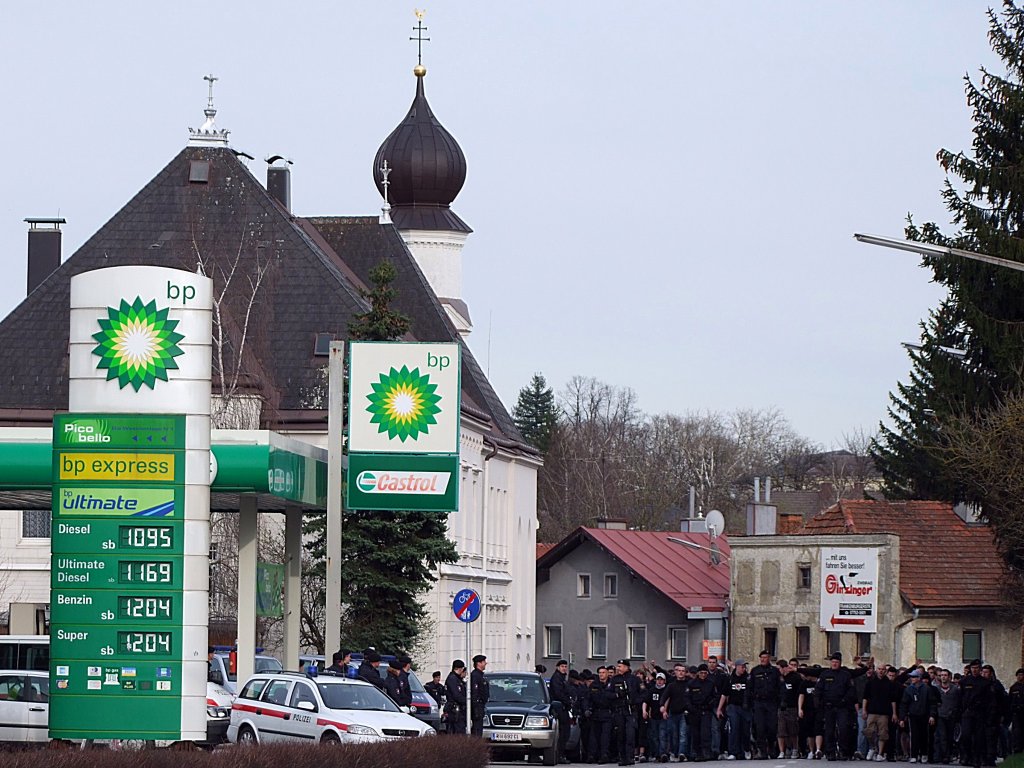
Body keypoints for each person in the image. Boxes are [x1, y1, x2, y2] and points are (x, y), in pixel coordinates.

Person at [748, 650, 781, 759]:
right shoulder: (755, 671)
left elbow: (781, 687)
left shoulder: (775, 671)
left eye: (765, 657)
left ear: (769, 658)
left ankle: (771, 747)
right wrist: (747, 702)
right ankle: (762, 751)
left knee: (772, 727)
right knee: (760, 728)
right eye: (761, 657)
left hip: (771, 702)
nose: (763, 659)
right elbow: (749, 688)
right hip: (759, 703)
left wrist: (782, 701)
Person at [960, 659, 993, 768]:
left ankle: (976, 758)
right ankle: (967, 756)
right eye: (973, 668)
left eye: (977, 668)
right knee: (966, 735)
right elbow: (961, 697)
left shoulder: (985, 683)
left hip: (979, 713)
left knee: (979, 738)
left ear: (980, 669)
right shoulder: (964, 681)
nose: (974, 670)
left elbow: (989, 701)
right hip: (967, 712)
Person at [899, 669, 936, 763]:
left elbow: (932, 703)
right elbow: (904, 704)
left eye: (914, 677)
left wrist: (932, 715)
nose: (912, 679)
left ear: (919, 678)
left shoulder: (927, 689)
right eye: (911, 677)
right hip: (913, 716)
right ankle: (914, 755)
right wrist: (902, 718)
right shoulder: (908, 689)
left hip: (924, 715)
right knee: (914, 735)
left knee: (924, 735)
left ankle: (924, 754)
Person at [611, 658, 643, 766]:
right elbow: (607, 694)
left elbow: (644, 694)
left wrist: (634, 701)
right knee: (620, 735)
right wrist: (617, 695)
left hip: (631, 711)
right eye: (618, 666)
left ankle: (630, 757)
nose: (618, 668)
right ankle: (622, 757)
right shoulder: (615, 680)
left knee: (630, 734)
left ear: (626, 667)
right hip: (619, 710)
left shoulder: (635, 680)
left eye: (620, 666)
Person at [862, 664, 897, 762]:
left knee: (883, 734)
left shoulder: (889, 684)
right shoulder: (870, 682)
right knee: (869, 732)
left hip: (884, 713)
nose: (881, 671)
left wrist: (894, 713)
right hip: (872, 711)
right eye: (879, 669)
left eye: (883, 669)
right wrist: (864, 710)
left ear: (885, 671)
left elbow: (893, 700)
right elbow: (865, 697)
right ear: (876, 670)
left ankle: (880, 753)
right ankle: (873, 747)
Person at [719, 658, 751, 761]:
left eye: (744, 667)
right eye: (742, 666)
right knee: (734, 729)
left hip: (745, 707)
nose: (744, 669)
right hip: (733, 707)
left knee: (745, 730)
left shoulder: (748, 678)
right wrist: (719, 708)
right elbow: (724, 694)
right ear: (737, 667)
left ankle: (746, 750)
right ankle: (733, 752)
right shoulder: (730, 679)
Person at [661, 664, 689, 761]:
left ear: (685, 673)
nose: (681, 672)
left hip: (684, 713)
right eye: (679, 670)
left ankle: (682, 753)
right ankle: (674, 752)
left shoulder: (689, 684)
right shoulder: (671, 685)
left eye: (683, 671)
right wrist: (662, 707)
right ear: (675, 672)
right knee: (673, 734)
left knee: (683, 734)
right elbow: (664, 697)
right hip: (673, 712)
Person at [933, 668, 961, 764]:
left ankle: (949, 755)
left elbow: (958, 703)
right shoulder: (936, 688)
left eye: (945, 675)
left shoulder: (955, 689)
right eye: (941, 675)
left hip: (951, 716)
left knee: (950, 736)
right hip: (940, 715)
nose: (943, 677)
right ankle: (943, 756)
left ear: (949, 677)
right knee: (942, 736)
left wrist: (955, 713)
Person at [589, 666, 616, 764]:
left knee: (605, 736)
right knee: (594, 736)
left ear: (607, 674)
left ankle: (604, 755)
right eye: (599, 672)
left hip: (607, 713)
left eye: (603, 672)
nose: (601, 674)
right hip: (596, 713)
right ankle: (593, 755)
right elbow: (588, 698)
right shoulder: (594, 685)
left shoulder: (611, 684)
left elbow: (615, 697)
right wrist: (587, 709)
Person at [778, 658, 803, 759]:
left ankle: (795, 749)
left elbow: (800, 693)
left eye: (779, 668)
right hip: (781, 707)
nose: (778, 670)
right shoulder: (778, 678)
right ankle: (782, 751)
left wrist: (799, 708)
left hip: (792, 707)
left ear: (784, 668)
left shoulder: (795, 677)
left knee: (793, 730)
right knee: (781, 731)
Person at [550, 660, 574, 763]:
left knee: (565, 733)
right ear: (557, 667)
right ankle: (559, 755)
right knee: (563, 733)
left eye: (565, 666)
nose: (564, 668)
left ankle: (561, 755)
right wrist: (568, 701)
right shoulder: (557, 678)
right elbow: (558, 693)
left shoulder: (562, 678)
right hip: (559, 708)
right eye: (562, 666)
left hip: (563, 707)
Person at [644, 672, 670, 762]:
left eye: (661, 680)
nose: (659, 681)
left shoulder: (666, 690)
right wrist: (644, 711)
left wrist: (665, 711)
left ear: (664, 681)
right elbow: (646, 701)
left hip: (663, 716)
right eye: (658, 679)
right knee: (654, 736)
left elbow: (668, 700)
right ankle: (657, 754)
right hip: (654, 716)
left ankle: (663, 753)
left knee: (662, 735)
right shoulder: (652, 690)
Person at [445, 659, 468, 734]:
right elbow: (457, 695)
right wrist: (467, 701)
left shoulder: (457, 679)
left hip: (458, 710)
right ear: (460, 668)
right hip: (455, 710)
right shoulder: (452, 679)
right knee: (458, 731)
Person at [470, 654, 490, 737]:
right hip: (477, 706)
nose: (486, 663)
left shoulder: (481, 675)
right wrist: (475, 708)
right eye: (484, 662)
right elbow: (475, 692)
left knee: (479, 728)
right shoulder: (475, 676)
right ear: (479, 663)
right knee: (477, 730)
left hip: (481, 705)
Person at [1008, 668, 1024, 755]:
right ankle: (1017, 749)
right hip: (1016, 714)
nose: (1020, 677)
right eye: (1018, 675)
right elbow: (1010, 701)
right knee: (1017, 733)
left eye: (1022, 675)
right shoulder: (1014, 688)